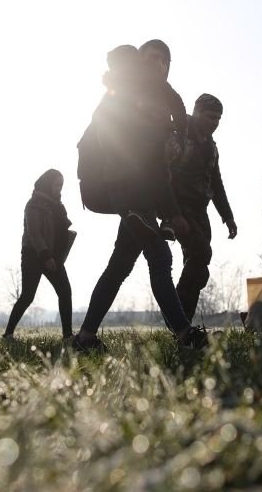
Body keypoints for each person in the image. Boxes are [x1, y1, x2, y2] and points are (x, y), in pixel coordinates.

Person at [73, 41, 208, 352]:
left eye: (164, 60)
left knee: (119, 266)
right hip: (127, 191)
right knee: (160, 257)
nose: (158, 65)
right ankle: (185, 335)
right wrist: (173, 212)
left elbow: (160, 167)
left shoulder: (159, 104)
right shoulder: (132, 102)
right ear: (138, 64)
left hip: (138, 194)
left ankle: (85, 337)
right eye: (151, 59)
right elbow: (146, 164)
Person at [169, 93, 237, 322]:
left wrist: (227, 217)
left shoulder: (211, 148)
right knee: (201, 255)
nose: (215, 122)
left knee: (198, 268)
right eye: (210, 117)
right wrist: (171, 213)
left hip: (200, 210)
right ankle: (175, 316)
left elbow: (216, 183)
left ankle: (182, 324)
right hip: (179, 207)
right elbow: (163, 175)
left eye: (218, 118)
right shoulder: (178, 136)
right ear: (197, 113)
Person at [4, 169, 75, 340]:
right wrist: (45, 255)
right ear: (47, 183)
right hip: (34, 256)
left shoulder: (58, 205)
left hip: (54, 256)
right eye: (57, 185)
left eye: (61, 185)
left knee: (65, 292)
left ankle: (67, 336)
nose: (59, 189)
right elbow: (34, 233)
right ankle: (8, 334)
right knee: (28, 296)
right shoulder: (33, 205)